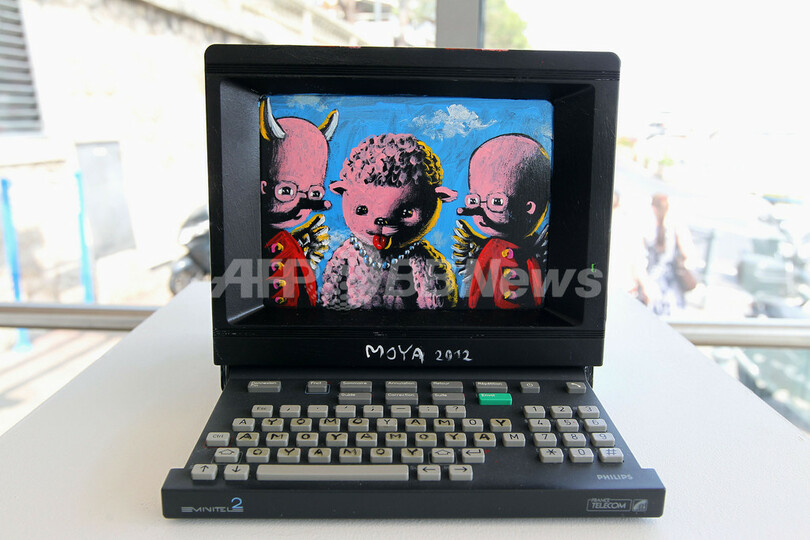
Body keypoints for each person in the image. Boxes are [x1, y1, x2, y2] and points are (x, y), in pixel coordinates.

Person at [642, 193, 697, 315]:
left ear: (654, 209)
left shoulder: (648, 229)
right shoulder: (677, 228)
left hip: (653, 282)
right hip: (672, 287)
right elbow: (688, 254)